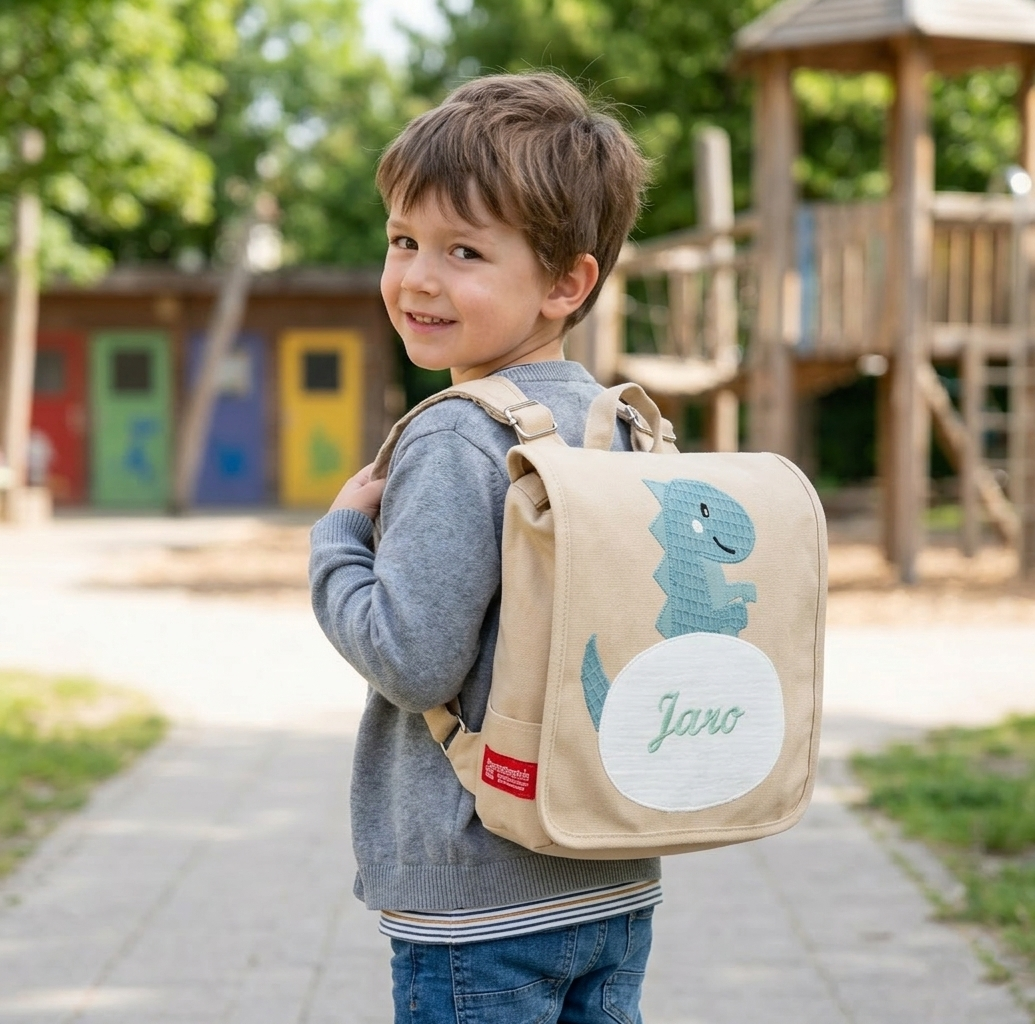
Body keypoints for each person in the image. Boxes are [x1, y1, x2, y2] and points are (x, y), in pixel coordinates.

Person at [309, 71, 659, 1024]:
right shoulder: (617, 423)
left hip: (481, 895)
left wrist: (337, 543)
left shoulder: (459, 435)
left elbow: (414, 659)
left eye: (463, 250)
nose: (418, 275)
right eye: (403, 240)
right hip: (611, 868)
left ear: (565, 282)